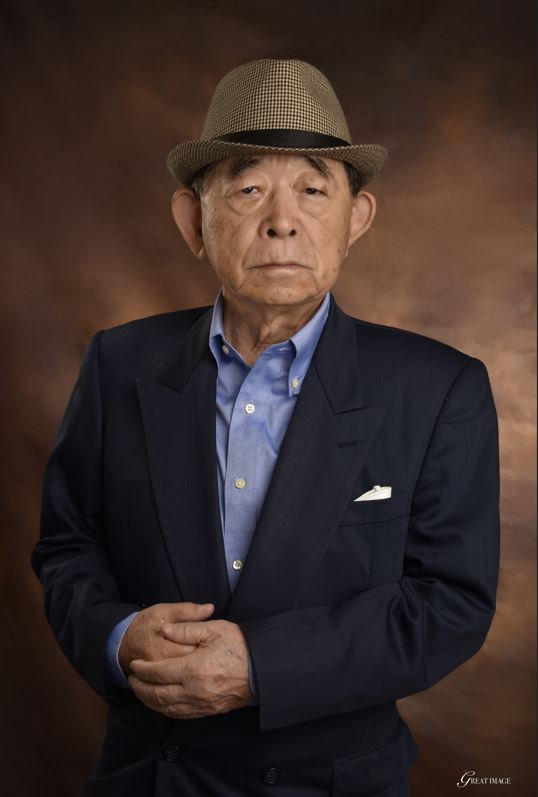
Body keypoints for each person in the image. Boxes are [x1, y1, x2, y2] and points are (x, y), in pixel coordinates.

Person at [32, 58, 500, 797]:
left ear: (356, 219)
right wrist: (119, 639)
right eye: (248, 189)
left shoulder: (439, 387)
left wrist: (261, 665)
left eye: (313, 190)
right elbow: (69, 547)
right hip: (150, 777)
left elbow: (451, 602)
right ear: (194, 220)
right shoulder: (118, 363)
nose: (282, 220)